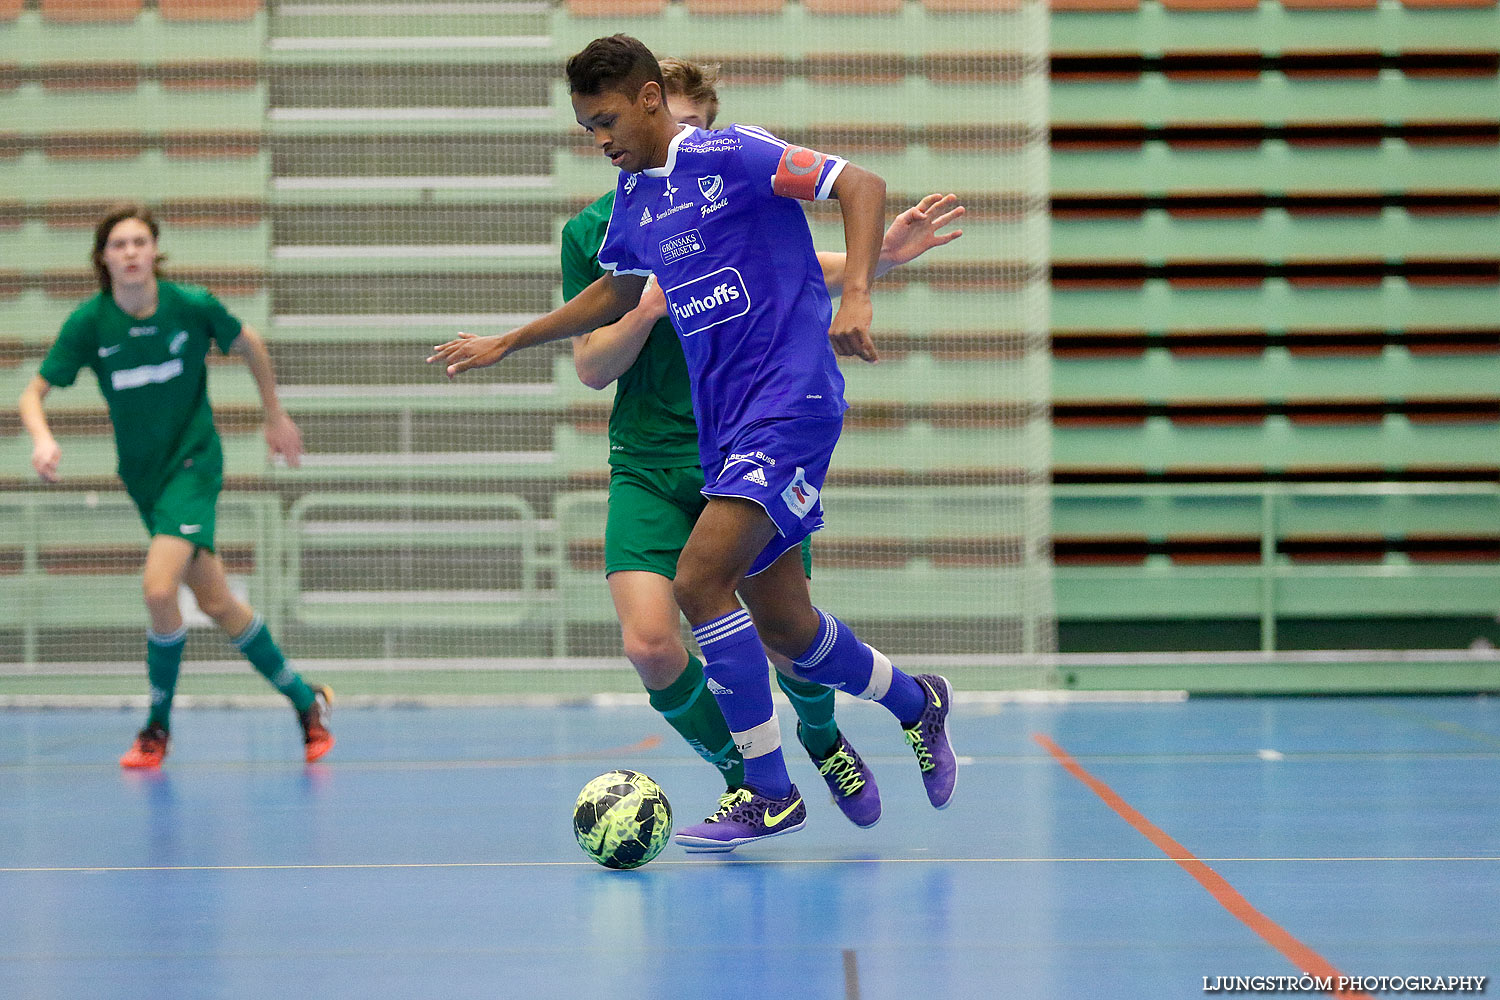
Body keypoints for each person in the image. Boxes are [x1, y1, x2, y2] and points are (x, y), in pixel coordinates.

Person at [430, 35, 956, 852]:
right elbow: (618, 291)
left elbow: (861, 182)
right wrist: (512, 339)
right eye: (585, 128)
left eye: (605, 120)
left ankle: (770, 790)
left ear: (648, 100)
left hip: (789, 404)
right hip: (723, 432)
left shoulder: (735, 153)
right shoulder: (635, 200)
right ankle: (917, 703)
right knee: (789, 630)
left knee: (699, 581)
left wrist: (859, 291)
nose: (598, 140)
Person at [17, 203, 334, 768]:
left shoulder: (190, 306)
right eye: (119, 244)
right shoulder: (90, 325)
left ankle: (155, 728)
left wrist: (274, 415)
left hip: (193, 466)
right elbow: (32, 394)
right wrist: (42, 439)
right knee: (215, 601)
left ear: (154, 251)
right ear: (104, 258)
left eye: (140, 242)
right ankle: (306, 701)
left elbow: (248, 342)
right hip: (144, 479)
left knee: (160, 589)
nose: (131, 252)